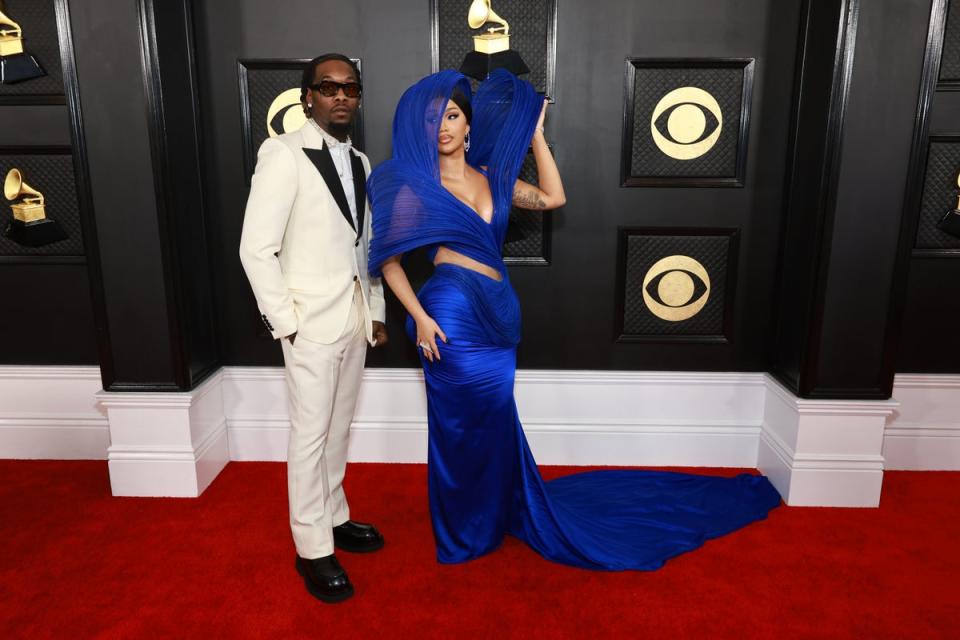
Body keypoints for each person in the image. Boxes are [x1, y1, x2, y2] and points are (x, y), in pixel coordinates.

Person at [367, 69, 781, 570]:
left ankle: (496, 512)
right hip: (448, 314)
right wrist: (420, 318)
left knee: (495, 419)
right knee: (457, 426)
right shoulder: (415, 186)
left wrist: (537, 136)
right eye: (435, 119)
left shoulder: (493, 180)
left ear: (468, 124)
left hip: (499, 314)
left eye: (452, 116)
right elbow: (388, 260)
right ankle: (462, 531)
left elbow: (554, 198)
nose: (444, 127)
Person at [239, 53, 388, 602]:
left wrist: (375, 310)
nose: (341, 96)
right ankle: (311, 548)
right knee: (309, 435)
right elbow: (256, 248)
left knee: (338, 428)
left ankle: (334, 515)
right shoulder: (281, 154)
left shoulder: (364, 162)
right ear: (308, 96)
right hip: (308, 322)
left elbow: (364, 246)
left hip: (352, 320)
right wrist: (288, 324)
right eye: (329, 87)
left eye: (350, 87)